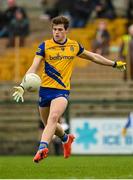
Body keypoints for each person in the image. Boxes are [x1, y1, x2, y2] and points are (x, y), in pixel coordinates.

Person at [12, 16, 126, 163]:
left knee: (53, 118)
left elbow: (94, 57)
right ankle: (67, 138)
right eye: (54, 30)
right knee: (49, 125)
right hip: (45, 90)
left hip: (61, 91)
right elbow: (34, 66)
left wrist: (114, 63)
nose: (56, 32)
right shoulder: (44, 46)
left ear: (66, 30)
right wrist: (22, 85)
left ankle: (42, 148)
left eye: (60, 30)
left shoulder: (73, 46)